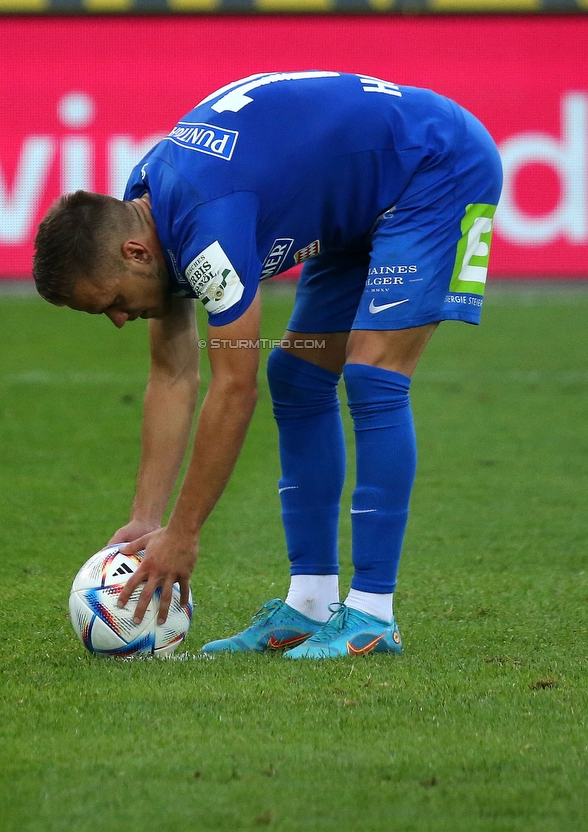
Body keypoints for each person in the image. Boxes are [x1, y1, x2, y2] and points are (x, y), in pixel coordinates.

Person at [32, 71, 502, 659]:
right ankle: (309, 604)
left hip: (435, 166)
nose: (121, 319)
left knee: (373, 377)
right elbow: (173, 374)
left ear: (135, 253)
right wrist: (145, 518)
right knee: (299, 376)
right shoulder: (146, 202)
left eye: (114, 302)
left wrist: (184, 535)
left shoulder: (206, 226)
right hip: (356, 204)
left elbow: (233, 389)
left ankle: (374, 614)